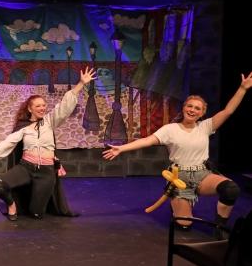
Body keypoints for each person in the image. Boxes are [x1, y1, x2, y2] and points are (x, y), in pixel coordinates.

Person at [103, 72, 252, 236]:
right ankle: (179, 203)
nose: (192, 110)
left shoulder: (206, 127)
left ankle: (219, 227)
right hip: (179, 176)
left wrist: (243, 88)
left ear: (202, 113)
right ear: (184, 108)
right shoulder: (170, 129)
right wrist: (121, 148)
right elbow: (146, 141)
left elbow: (228, 111)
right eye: (190, 106)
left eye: (197, 108)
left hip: (202, 174)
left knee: (230, 189)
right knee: (184, 225)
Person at [0, 67, 96, 221]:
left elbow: (64, 106)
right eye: (38, 106)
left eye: (44, 105)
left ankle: (35, 207)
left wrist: (81, 84)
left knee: (36, 213)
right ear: (30, 109)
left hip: (46, 172)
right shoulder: (23, 127)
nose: (42, 108)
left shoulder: (50, 121)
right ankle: (12, 205)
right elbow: (8, 143)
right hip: (26, 167)